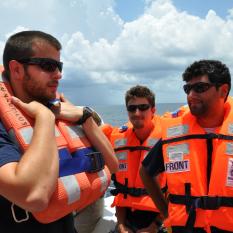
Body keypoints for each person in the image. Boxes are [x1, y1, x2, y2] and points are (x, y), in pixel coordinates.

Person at [0, 30, 118, 233]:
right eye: (48, 66)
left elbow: (112, 165)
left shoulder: (58, 107)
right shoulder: (5, 123)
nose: (59, 74)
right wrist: (45, 119)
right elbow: (34, 196)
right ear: (17, 69)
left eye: (59, 66)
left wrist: (85, 117)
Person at [140, 60, 233, 233]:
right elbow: (145, 172)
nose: (191, 95)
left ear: (223, 90)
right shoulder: (177, 134)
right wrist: (166, 212)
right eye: (187, 89)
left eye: (200, 88)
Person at [102, 85, 167, 233]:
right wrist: (121, 225)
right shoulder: (119, 140)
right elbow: (121, 190)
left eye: (143, 107)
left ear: (153, 110)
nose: (137, 113)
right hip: (128, 220)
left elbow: (176, 191)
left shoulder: (168, 140)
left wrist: (154, 227)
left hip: (160, 221)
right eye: (132, 108)